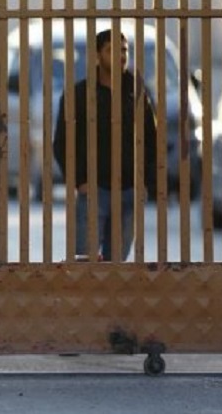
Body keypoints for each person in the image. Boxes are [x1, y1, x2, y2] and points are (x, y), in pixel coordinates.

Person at [53, 29, 157, 261]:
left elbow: (151, 139)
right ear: (97, 56)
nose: (120, 55)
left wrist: (145, 182)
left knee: (117, 267)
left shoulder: (138, 92)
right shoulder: (78, 94)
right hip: (93, 190)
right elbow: (62, 142)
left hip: (129, 191)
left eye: (124, 50)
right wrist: (79, 180)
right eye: (111, 50)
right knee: (84, 263)